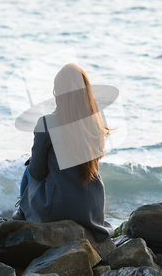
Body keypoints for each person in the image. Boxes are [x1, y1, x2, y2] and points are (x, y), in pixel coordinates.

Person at [13, 63, 114, 242]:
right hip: (92, 210)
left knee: (29, 168)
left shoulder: (47, 123)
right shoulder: (95, 122)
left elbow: (37, 172)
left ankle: (22, 214)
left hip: (58, 210)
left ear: (58, 93)